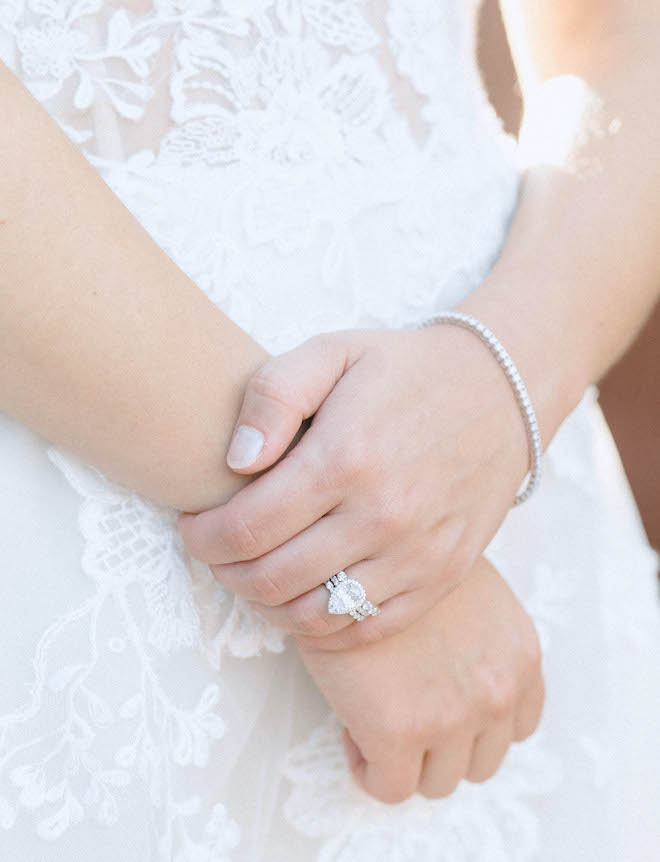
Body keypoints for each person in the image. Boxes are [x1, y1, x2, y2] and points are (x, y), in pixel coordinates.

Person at [0, 2, 658, 860]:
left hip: (505, 486)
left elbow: (623, 32)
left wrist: (505, 377)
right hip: (72, 503)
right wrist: (352, 553)